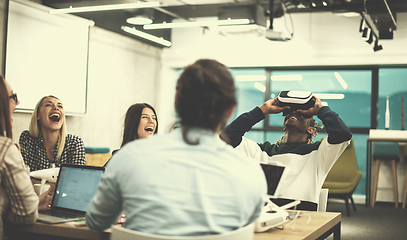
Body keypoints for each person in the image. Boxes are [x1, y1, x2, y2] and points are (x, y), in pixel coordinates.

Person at [86, 59, 267, 236]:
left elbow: (96, 221)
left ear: (176, 101)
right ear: (230, 110)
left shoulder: (127, 158)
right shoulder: (251, 173)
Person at [220, 96, 352, 211]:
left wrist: (320, 110)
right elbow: (226, 138)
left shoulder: (319, 153)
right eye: (291, 112)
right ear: (284, 123)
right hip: (264, 214)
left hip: (301, 217)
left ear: (311, 129)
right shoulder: (263, 150)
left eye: (303, 113)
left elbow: (342, 134)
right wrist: (263, 110)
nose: (294, 112)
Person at [0, 76, 52, 240]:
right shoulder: (7, 147)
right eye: (13, 96)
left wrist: (34, 200)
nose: (18, 102)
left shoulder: (74, 142)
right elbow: (26, 214)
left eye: (60, 106)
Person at [19, 95, 85, 172]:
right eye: (48, 105)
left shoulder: (74, 143)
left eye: (60, 106)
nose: (56, 108)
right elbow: (21, 176)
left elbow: (76, 179)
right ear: (38, 115)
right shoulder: (27, 139)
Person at [103, 103, 158, 167]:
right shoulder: (120, 158)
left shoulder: (159, 156)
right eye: (145, 117)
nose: (151, 121)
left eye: (154, 118)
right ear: (133, 122)